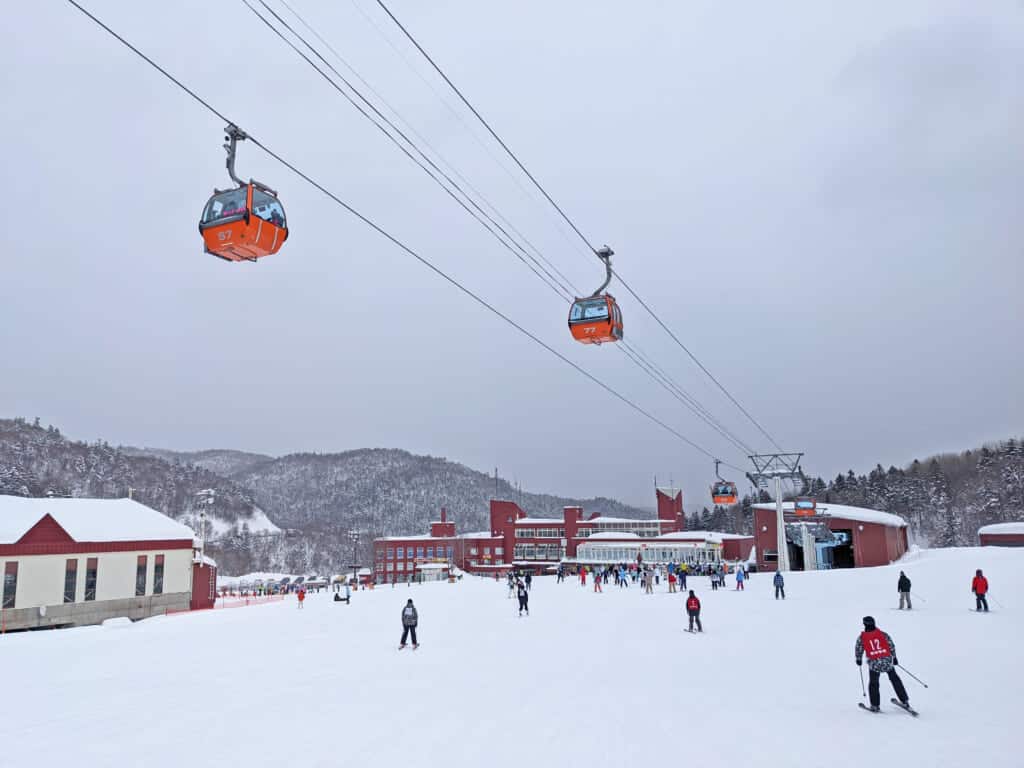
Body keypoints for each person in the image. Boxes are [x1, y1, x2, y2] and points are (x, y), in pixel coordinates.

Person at [855, 616, 909, 712]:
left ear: (864, 624)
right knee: (895, 679)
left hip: (874, 663)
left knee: (873, 683)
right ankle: (904, 700)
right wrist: (894, 657)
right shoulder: (882, 634)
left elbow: (859, 648)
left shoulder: (862, 637)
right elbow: (891, 645)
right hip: (887, 661)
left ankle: (875, 705)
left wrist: (858, 659)